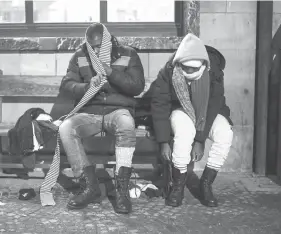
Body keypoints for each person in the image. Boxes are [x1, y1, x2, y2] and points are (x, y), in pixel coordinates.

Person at [59, 23, 145, 214]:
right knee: (66, 128)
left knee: (126, 124)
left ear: (108, 41)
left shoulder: (128, 53)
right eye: (92, 47)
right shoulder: (80, 55)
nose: (95, 51)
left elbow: (137, 86)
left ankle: (122, 191)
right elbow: (67, 84)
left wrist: (111, 73)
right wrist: (86, 86)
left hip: (118, 110)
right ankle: (89, 186)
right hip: (90, 111)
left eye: (99, 46)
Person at [150, 33, 233, 208]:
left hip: (208, 113)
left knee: (225, 134)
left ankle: (206, 184)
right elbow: (160, 105)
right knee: (184, 132)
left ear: (204, 65)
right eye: (185, 67)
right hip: (180, 109)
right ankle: (178, 186)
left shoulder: (214, 71)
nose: (188, 72)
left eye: (193, 69)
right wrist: (164, 141)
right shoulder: (169, 71)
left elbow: (212, 106)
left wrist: (200, 140)